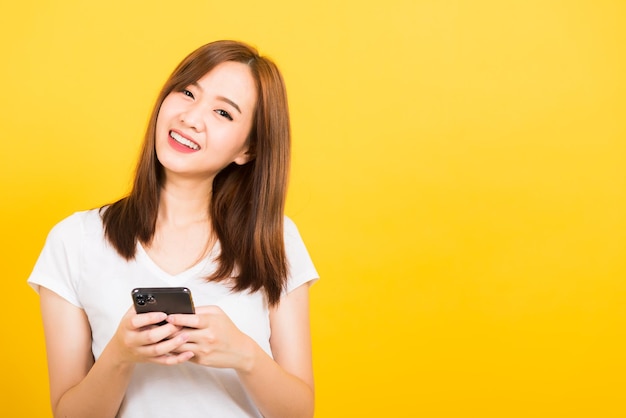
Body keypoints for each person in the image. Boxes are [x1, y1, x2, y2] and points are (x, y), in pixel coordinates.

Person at [27, 40, 318, 418]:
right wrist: (119, 355)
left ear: (247, 150)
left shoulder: (274, 239)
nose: (192, 118)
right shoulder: (74, 241)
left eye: (223, 113)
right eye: (187, 92)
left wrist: (244, 354)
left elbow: (300, 412)